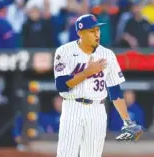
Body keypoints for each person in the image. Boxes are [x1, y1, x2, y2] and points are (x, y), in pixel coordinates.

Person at [54, 14, 143, 157]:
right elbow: (61, 85)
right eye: (91, 31)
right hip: (72, 107)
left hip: (97, 110)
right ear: (80, 33)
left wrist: (127, 120)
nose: (96, 34)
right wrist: (87, 72)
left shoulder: (107, 55)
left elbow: (115, 91)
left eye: (98, 30)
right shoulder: (65, 51)